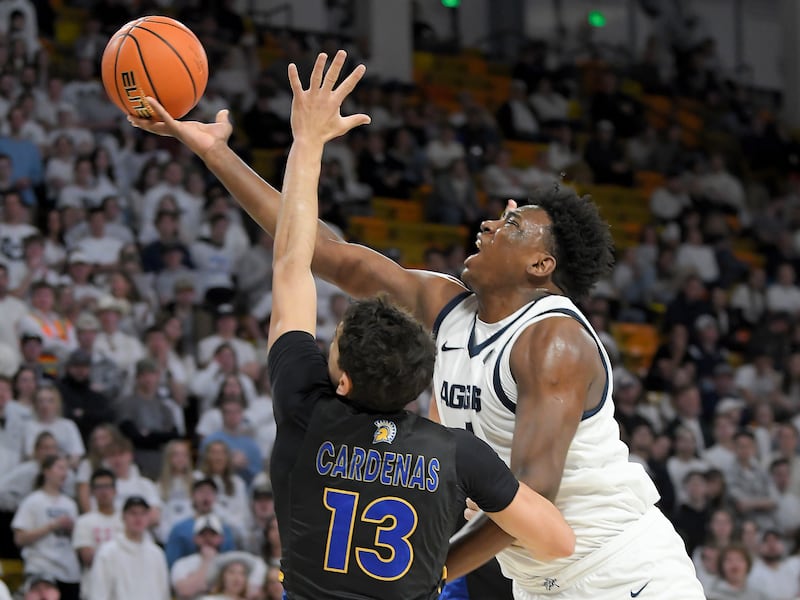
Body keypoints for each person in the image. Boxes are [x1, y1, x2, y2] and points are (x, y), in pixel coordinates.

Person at [130, 47, 700, 599]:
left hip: (621, 571)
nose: (488, 224)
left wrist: (419, 575)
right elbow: (317, 252)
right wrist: (215, 154)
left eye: (512, 224)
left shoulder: (552, 341)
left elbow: (534, 504)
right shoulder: (444, 303)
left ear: (540, 265)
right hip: (536, 578)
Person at [12, 455, 81, 600]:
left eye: (66, 469)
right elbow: (20, 538)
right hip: (41, 568)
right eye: (60, 468)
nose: (64, 473)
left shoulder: (70, 504)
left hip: (69, 571)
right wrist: (51, 526)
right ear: (46, 471)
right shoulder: (32, 501)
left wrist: (73, 529)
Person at [90, 495, 170, 600]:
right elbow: (99, 594)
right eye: (133, 513)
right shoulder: (108, 552)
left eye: (143, 513)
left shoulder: (157, 554)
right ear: (123, 516)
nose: (138, 518)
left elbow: (163, 592)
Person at [71, 468, 123, 600]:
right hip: (93, 589)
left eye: (107, 486)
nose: (104, 491)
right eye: (99, 487)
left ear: (115, 490)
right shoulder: (84, 521)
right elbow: (88, 558)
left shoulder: (126, 520)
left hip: (123, 589)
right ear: (93, 492)